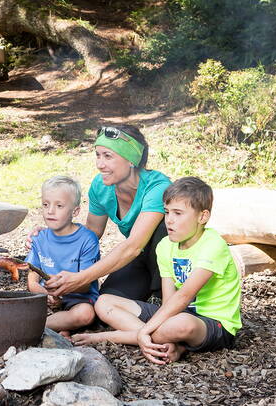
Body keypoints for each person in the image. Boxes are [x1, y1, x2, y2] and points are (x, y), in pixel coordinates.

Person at [72, 177, 242, 364]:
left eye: (178, 213)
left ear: (202, 217)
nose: (169, 220)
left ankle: (123, 336)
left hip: (212, 323)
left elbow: (184, 296)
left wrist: (144, 330)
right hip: (176, 315)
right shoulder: (166, 246)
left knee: (182, 323)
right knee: (104, 302)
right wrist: (157, 323)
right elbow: (168, 302)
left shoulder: (213, 245)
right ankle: (169, 343)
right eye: (167, 212)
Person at [40, 125, 171, 328]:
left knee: (162, 230)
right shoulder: (101, 186)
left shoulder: (157, 187)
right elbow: (91, 233)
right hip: (137, 258)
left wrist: (82, 278)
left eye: (108, 156)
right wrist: (54, 235)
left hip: (168, 263)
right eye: (98, 155)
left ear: (131, 160)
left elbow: (134, 245)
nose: (100, 164)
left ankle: (161, 300)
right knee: (103, 305)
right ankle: (145, 310)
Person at [26, 176, 100, 338]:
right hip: (45, 297)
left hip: (78, 298)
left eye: (59, 205)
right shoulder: (39, 238)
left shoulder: (87, 239)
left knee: (85, 314)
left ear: (75, 211)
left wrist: (60, 291)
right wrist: (45, 294)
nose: (50, 211)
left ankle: (32, 327)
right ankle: (61, 328)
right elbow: (32, 280)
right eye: (46, 204)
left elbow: (85, 285)